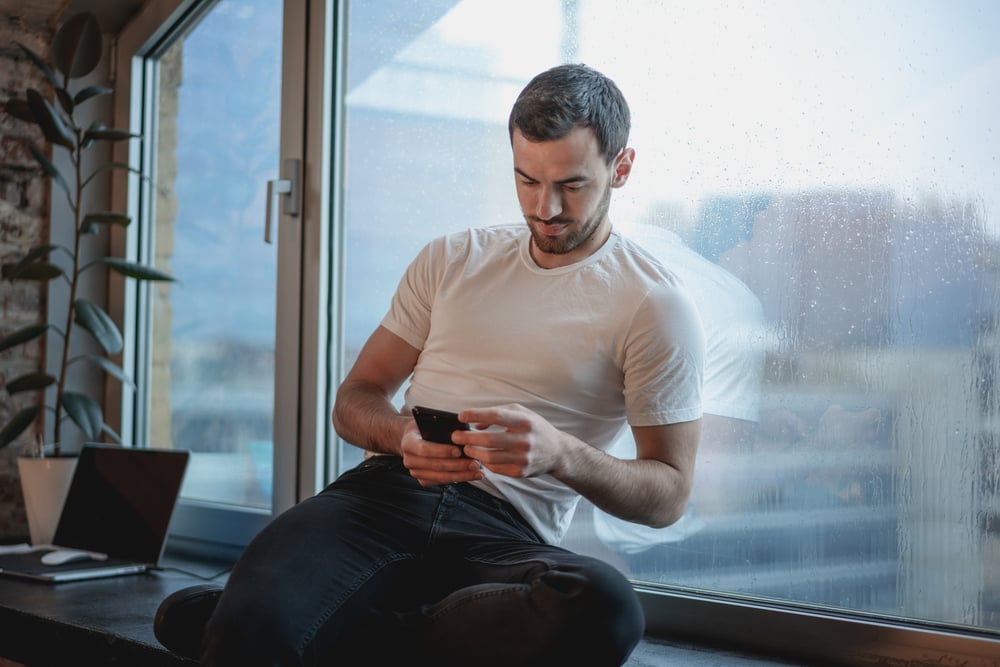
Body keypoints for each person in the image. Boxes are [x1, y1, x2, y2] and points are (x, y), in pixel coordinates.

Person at [154, 63, 706, 667]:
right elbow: (355, 398)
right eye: (526, 180)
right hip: (380, 499)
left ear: (620, 169)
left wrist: (561, 454)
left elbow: (668, 495)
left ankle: (303, 623)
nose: (545, 208)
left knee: (605, 607)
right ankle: (284, 619)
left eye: (571, 185)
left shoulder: (655, 304)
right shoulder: (452, 258)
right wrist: (401, 433)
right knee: (237, 638)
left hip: (503, 536)